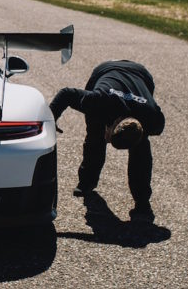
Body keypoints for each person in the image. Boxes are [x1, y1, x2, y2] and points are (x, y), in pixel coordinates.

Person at [49, 60, 165, 223]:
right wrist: (50, 120)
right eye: (110, 138)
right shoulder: (98, 100)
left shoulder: (152, 119)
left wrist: (137, 135)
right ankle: (87, 182)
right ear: (111, 124)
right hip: (105, 70)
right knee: (95, 135)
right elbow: (66, 93)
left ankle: (142, 201)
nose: (107, 141)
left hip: (142, 76)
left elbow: (149, 128)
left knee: (141, 151)